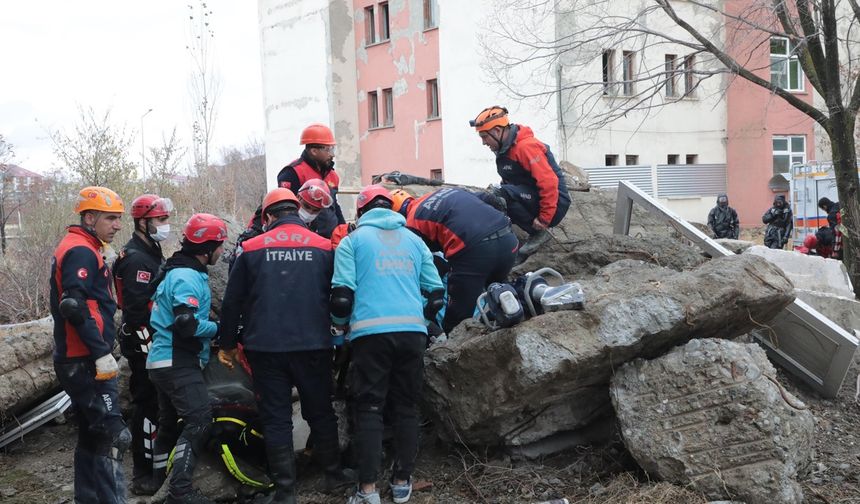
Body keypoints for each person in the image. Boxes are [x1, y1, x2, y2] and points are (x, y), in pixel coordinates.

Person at [218, 188, 354, 504]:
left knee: (276, 416)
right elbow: (338, 295)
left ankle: (285, 490)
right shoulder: (323, 247)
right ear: (296, 211)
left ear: (267, 216)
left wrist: (226, 345)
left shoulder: (250, 248)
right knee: (320, 410)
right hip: (314, 345)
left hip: (265, 348)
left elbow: (231, 302)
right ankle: (333, 474)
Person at [332, 185, 444, 504]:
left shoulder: (352, 242)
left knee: (369, 408)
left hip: (370, 335)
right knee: (407, 406)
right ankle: (401, 482)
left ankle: (367, 491)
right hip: (412, 333)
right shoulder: (414, 240)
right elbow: (436, 294)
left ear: (361, 212)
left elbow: (341, 298)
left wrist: (338, 330)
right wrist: (414, 317)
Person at [50, 186, 131, 504]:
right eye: (111, 218)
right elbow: (73, 304)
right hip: (85, 358)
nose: (117, 225)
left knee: (92, 432)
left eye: (119, 218)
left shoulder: (82, 246)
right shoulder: (81, 250)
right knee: (114, 435)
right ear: (89, 216)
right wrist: (100, 354)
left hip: (77, 356)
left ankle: (88, 499)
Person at [147, 213, 227, 504]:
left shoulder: (176, 271)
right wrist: (221, 330)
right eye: (219, 245)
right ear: (206, 248)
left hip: (162, 361)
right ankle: (179, 491)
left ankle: (159, 483)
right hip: (176, 361)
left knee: (168, 425)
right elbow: (187, 324)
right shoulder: (186, 276)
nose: (222, 251)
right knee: (199, 421)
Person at [390, 187, 518, 334]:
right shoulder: (443, 192)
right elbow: (489, 199)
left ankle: (454, 353)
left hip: (474, 251)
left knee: (457, 318)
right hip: (508, 239)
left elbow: (423, 262)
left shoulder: (412, 223)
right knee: (499, 295)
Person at [112, 193, 174, 495]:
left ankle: (159, 465)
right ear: (143, 222)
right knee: (147, 406)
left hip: (152, 339)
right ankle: (144, 473)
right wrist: (150, 349)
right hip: (143, 343)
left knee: (157, 406)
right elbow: (137, 311)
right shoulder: (136, 257)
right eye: (160, 220)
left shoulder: (151, 248)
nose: (166, 225)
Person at [470, 105, 570, 256]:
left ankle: (539, 233)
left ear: (497, 131)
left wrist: (544, 219)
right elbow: (510, 179)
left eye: (485, 137)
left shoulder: (526, 147)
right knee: (497, 195)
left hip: (556, 204)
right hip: (531, 196)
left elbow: (549, 183)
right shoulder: (505, 148)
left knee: (503, 194)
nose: (484, 142)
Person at [277, 124, 346, 238]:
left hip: (330, 238)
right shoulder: (292, 172)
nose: (332, 155)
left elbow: (334, 207)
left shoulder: (333, 176)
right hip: (302, 238)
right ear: (314, 151)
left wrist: (343, 230)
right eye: (328, 150)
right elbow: (285, 209)